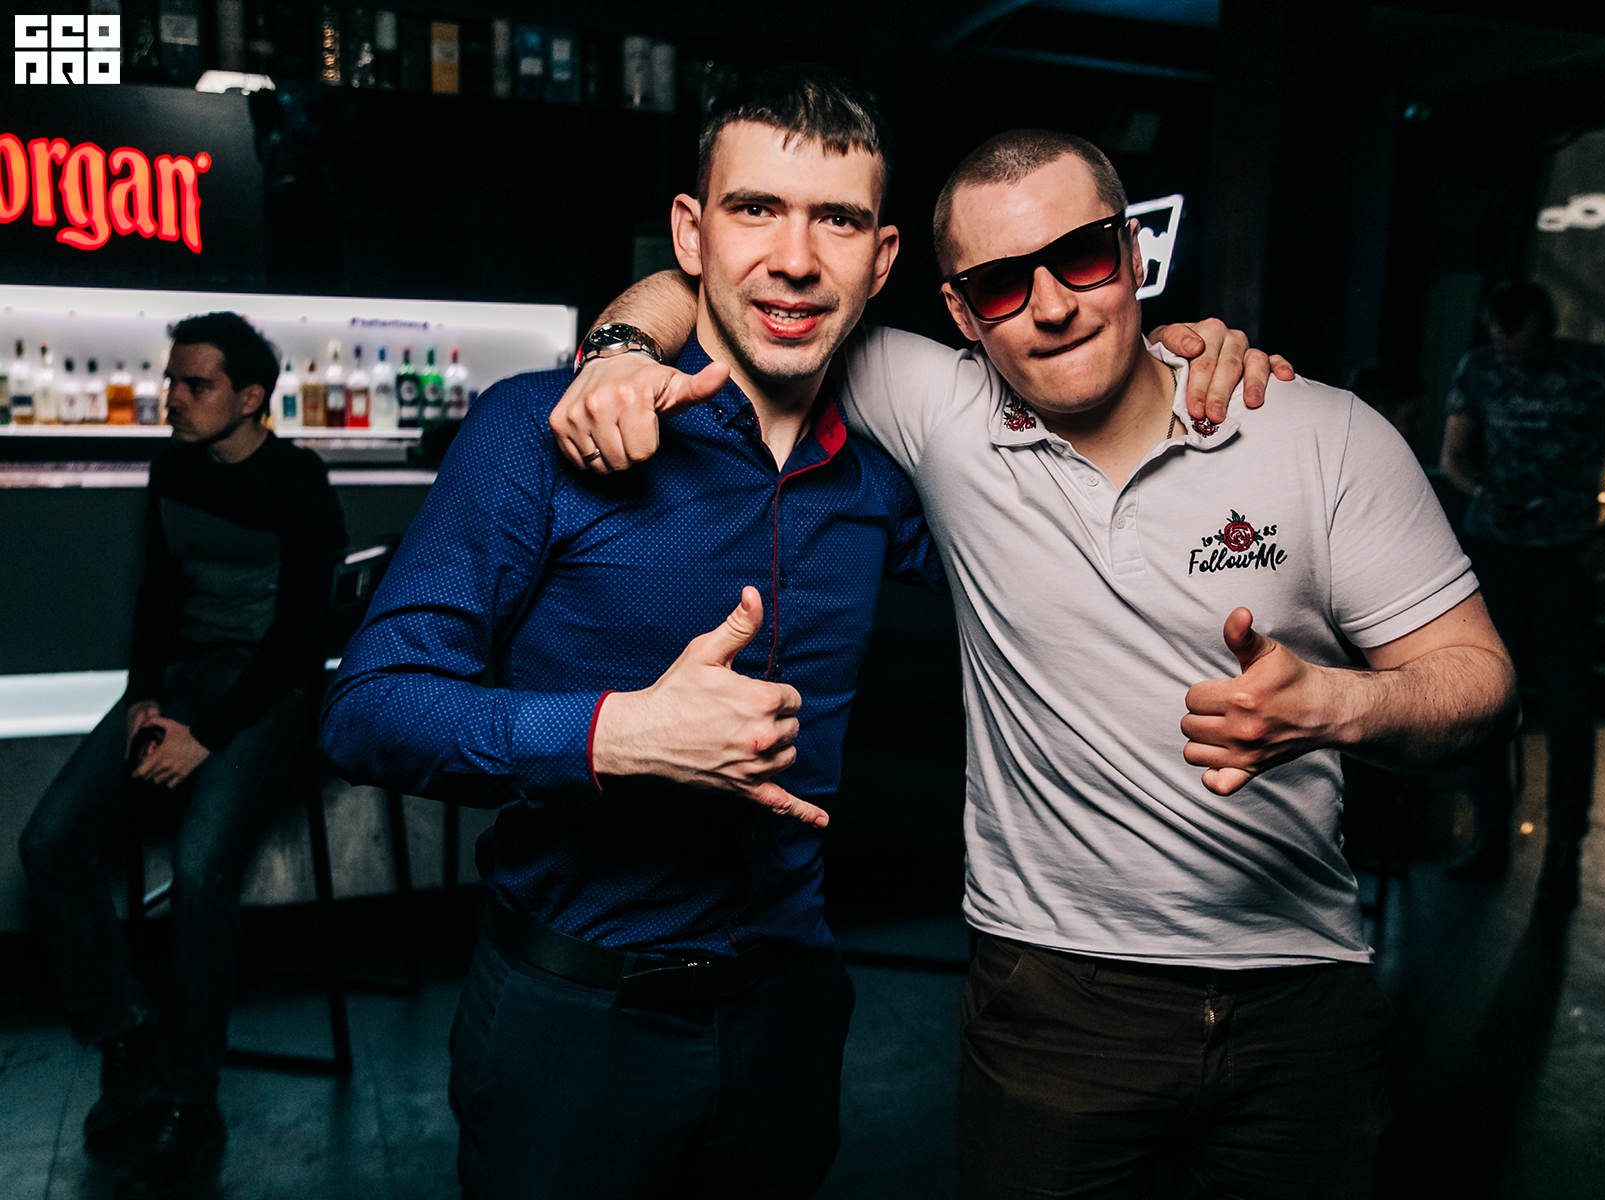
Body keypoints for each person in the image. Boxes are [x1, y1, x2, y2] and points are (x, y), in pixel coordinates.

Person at [319, 69, 1277, 1200]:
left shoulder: (891, 474)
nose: (795, 257)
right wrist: (617, 737)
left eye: (838, 221)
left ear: (881, 259)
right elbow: (369, 707)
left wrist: (1194, 369)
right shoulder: (540, 428)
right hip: (571, 1021)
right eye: (756, 209)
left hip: (788, 1014)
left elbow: (1082, 512)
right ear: (692, 232)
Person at [554, 128, 1517, 1199]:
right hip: (1052, 998)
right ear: (962, 313)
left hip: (1300, 994)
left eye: (1084, 258)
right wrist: (621, 352)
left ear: (1135, 253)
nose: (1052, 306)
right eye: (1003, 285)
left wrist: (1339, 705)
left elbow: (1481, 687)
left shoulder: (1319, 435)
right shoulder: (942, 410)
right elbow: (737, 297)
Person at [18, 312, 346, 1200]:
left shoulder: (298, 483)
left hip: (262, 697)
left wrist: (209, 733)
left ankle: (189, 1098)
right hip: (182, 685)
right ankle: (123, 1034)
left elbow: (298, 641)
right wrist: (146, 698)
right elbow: (158, 596)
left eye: (195, 385)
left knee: (202, 871)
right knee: (49, 842)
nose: (173, 398)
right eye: (172, 381)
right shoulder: (173, 468)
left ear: (250, 397)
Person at [1439, 280, 1605, 907]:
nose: (1513, 362)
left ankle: (1565, 853)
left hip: (1565, 558)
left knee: (1568, 711)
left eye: (1527, 351)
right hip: (1493, 552)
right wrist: (1484, 492)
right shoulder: (1477, 367)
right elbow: (1453, 457)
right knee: (1485, 700)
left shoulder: (1600, 368)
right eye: (1503, 349)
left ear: (1549, 332)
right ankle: (1489, 837)